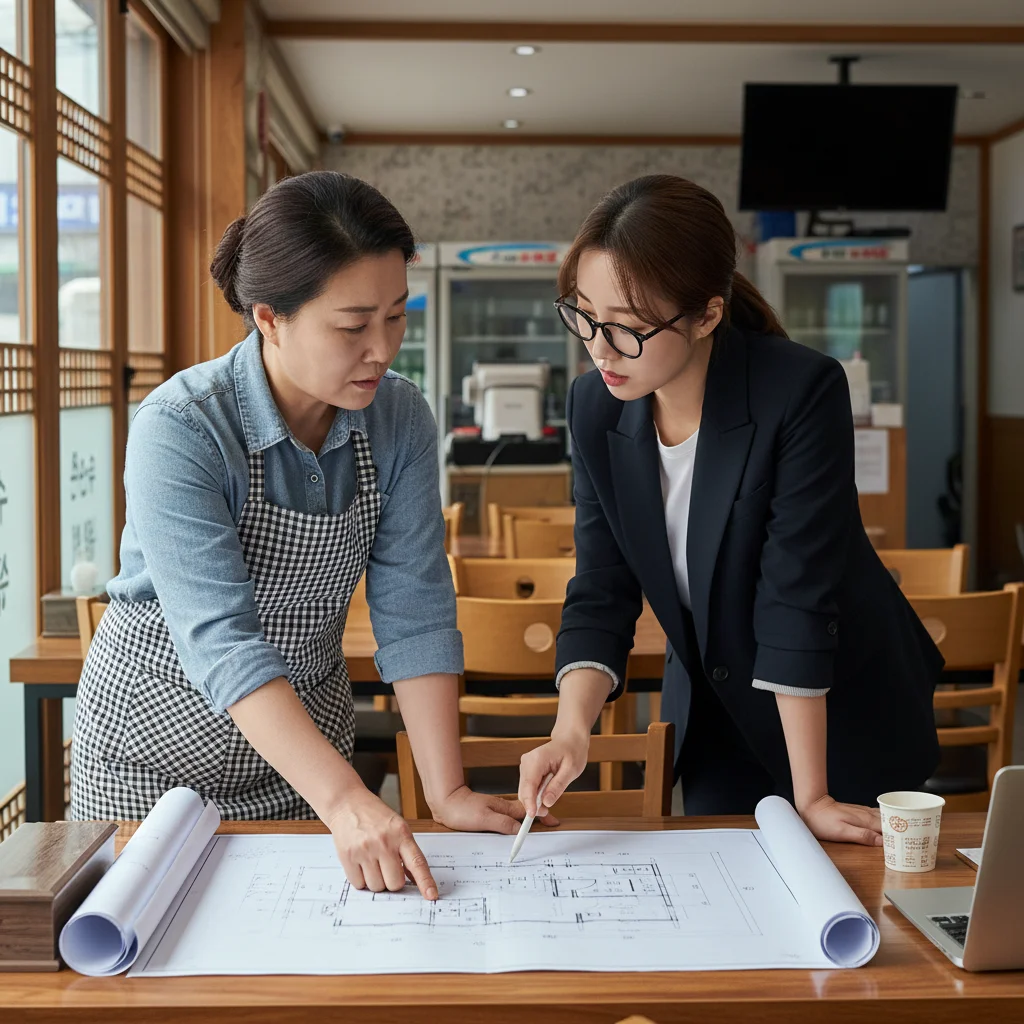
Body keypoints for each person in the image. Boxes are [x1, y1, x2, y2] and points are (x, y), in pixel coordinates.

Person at [71, 171, 526, 898]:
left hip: (305, 761)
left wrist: (447, 792)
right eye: (352, 326)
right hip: (149, 762)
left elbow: (415, 608)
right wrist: (347, 801)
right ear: (270, 318)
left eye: (397, 317)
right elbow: (222, 636)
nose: (383, 349)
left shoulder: (399, 419)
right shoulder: (182, 427)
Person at [518, 175, 942, 845]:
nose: (598, 347)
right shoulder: (594, 406)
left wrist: (813, 794)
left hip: (838, 715)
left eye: (627, 330)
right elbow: (602, 586)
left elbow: (795, 597)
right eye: (583, 314)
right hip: (718, 716)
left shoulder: (798, 391)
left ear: (707, 316)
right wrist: (571, 730)